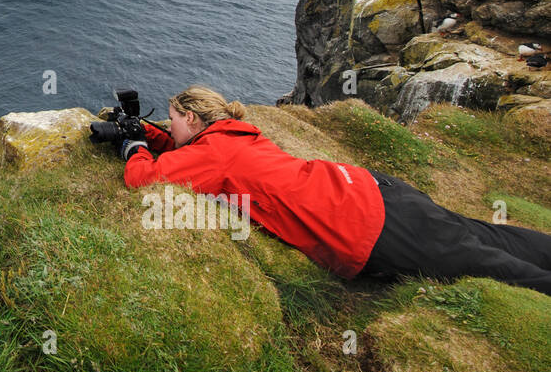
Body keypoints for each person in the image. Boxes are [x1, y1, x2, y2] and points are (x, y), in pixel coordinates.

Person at [110, 85, 551, 296]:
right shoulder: (238, 134)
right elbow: (198, 154)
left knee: (492, 267)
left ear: (191, 117)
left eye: (171, 118)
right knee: (492, 237)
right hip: (379, 190)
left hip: (371, 226)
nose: (168, 125)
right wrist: (150, 134)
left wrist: (132, 146)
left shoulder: (215, 154)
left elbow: (143, 179)